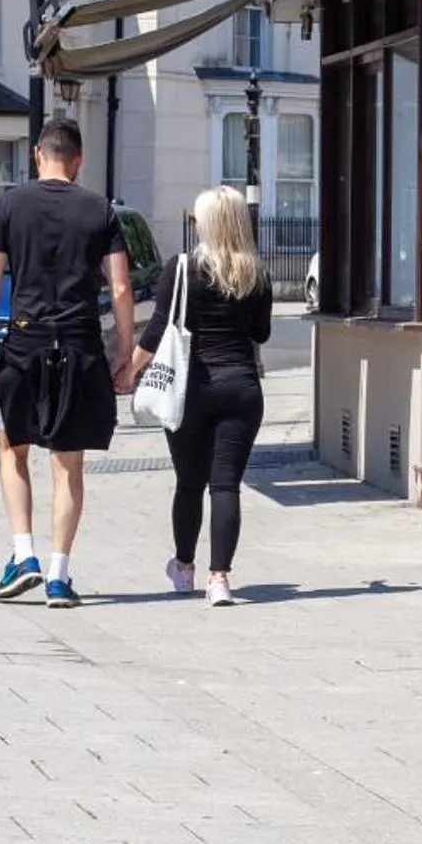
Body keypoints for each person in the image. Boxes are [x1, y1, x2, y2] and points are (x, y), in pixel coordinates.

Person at [0, 117, 133, 608]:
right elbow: (121, 288)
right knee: (68, 463)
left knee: (12, 449)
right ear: (77, 161)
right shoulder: (100, 209)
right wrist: (124, 353)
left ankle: (24, 555)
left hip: (23, 344)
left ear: (39, 155)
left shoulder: (10, 204)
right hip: (79, 345)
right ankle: (59, 575)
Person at [132, 186, 275, 607]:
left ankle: (184, 567)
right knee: (226, 485)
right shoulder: (257, 273)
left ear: (204, 224)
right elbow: (260, 333)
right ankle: (220, 579)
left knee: (189, 482)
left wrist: (128, 369)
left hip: (188, 390)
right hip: (241, 389)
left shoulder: (180, 269)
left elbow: (159, 328)